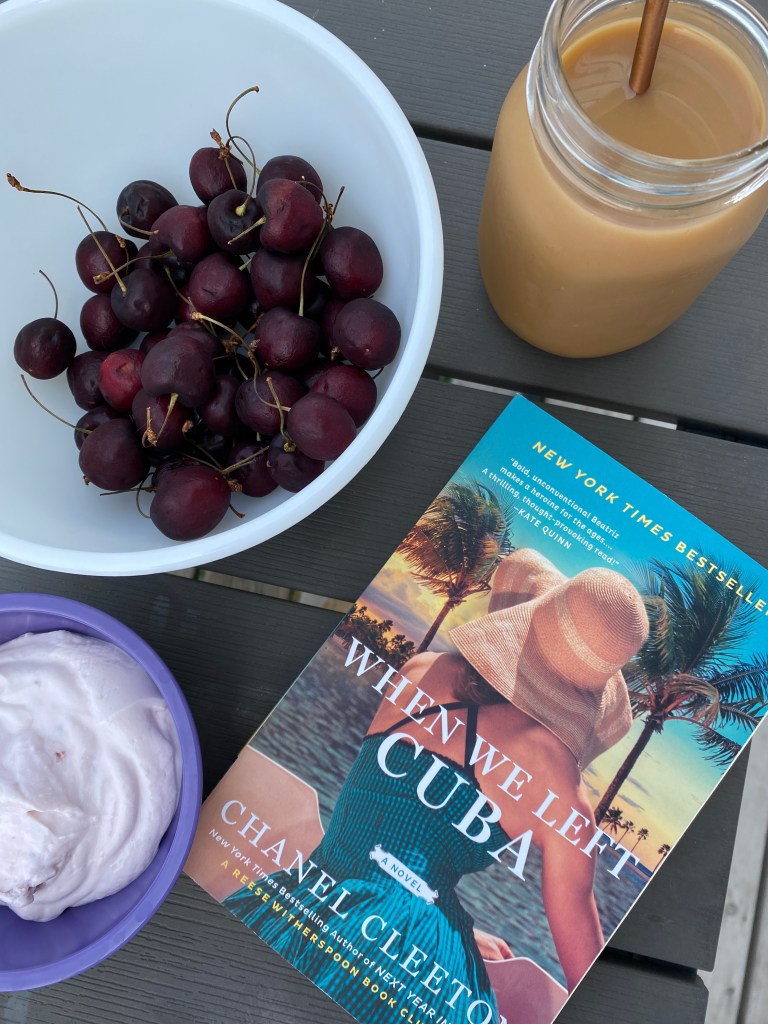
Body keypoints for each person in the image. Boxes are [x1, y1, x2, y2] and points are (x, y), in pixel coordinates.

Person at [224, 549, 649, 1020]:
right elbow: (588, 976)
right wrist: (434, 920)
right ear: (588, 693)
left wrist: (445, 915)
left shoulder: (422, 669)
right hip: (405, 967)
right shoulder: (558, 785)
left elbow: (386, 840)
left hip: (310, 898)